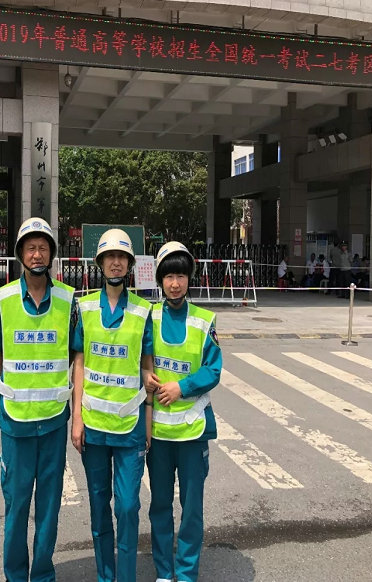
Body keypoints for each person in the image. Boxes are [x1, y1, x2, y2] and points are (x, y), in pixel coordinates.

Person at [0, 217, 77, 582]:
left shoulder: (67, 299)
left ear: (51, 254)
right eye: (31, 248)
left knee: (49, 508)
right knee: (17, 505)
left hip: (53, 422)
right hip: (16, 423)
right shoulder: (5, 298)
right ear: (21, 254)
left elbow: (73, 352)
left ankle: (42, 574)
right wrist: (15, 384)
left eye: (43, 248)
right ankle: (16, 575)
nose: (37, 255)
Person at [71, 229, 154, 582]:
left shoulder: (143, 310)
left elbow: (147, 367)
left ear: (130, 264)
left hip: (130, 426)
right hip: (93, 426)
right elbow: (79, 363)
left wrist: (148, 422)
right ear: (101, 263)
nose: (116, 262)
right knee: (99, 506)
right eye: (110, 257)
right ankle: (106, 576)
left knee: (128, 506)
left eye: (122, 257)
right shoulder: (85, 307)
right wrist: (76, 418)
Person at [145, 241, 222, 582]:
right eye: (168, 276)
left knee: (191, 509)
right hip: (158, 434)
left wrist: (182, 387)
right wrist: (144, 375)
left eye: (180, 276)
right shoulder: (148, 317)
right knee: (160, 506)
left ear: (190, 278)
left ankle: (187, 573)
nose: (175, 284)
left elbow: (213, 369)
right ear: (159, 280)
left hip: (192, 430)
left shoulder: (204, 321)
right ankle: (165, 571)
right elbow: (137, 359)